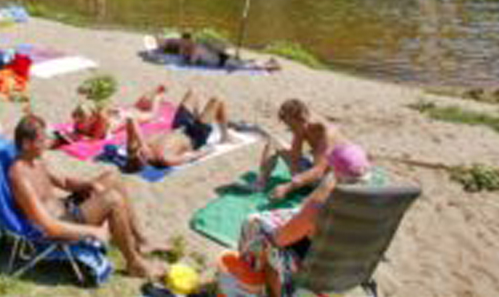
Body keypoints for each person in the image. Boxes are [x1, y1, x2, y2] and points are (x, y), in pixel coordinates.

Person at [8, 114, 165, 279]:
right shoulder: (20, 177)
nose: (47, 144)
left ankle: (142, 241)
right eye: (41, 141)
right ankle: (135, 264)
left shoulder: (36, 160)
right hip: (60, 227)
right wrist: (93, 231)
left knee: (113, 177)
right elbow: (48, 225)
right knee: (112, 200)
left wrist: (88, 184)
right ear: (26, 143)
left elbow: (64, 181)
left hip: (66, 209)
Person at [237, 143, 375, 297]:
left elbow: (280, 239)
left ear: (334, 172)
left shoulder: (318, 208)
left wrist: (322, 189)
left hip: (311, 274)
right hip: (346, 271)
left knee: (254, 225)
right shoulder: (373, 204)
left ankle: (255, 286)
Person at [253, 99, 342, 200]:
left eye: (292, 126)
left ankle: (262, 184)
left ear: (301, 118)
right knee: (273, 143)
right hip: (313, 174)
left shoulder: (324, 131)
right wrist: (295, 172)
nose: (291, 129)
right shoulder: (303, 125)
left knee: (311, 168)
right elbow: (295, 158)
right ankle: (260, 183)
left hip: (325, 181)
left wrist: (288, 187)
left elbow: (318, 172)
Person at [124, 88, 231, 171]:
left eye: (138, 154)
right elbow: (191, 157)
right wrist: (208, 151)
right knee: (217, 100)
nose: (141, 154)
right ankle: (225, 136)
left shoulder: (137, 146)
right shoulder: (165, 158)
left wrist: (142, 144)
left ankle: (198, 117)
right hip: (194, 135)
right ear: (145, 164)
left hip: (179, 126)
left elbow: (131, 119)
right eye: (143, 159)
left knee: (193, 92)